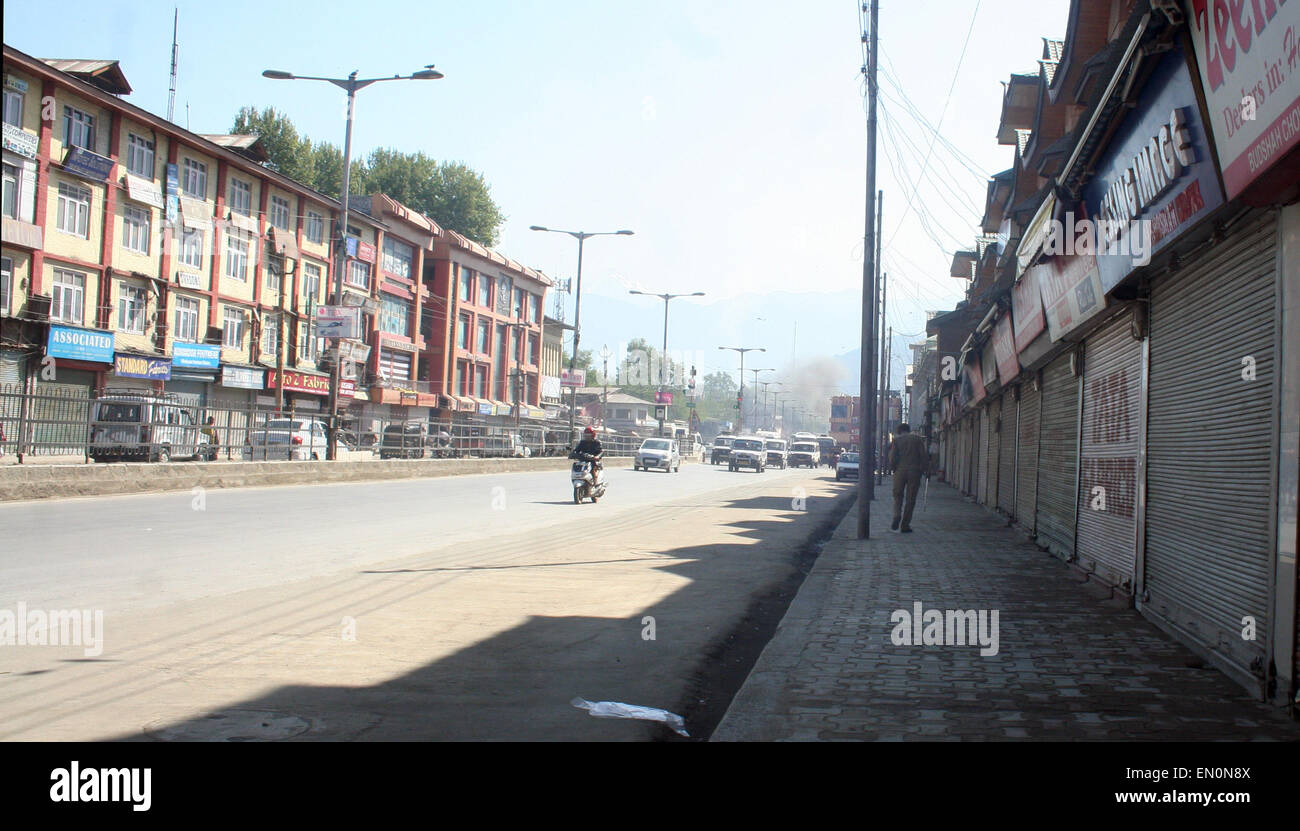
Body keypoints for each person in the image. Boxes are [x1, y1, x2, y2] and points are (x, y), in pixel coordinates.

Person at [888, 423, 931, 533]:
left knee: (897, 495)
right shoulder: (917, 440)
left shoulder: (896, 441)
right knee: (910, 499)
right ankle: (905, 525)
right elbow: (923, 456)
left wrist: (892, 468)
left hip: (900, 471)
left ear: (899, 431)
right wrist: (927, 470)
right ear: (908, 430)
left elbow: (892, 456)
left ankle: (897, 515)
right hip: (915, 472)